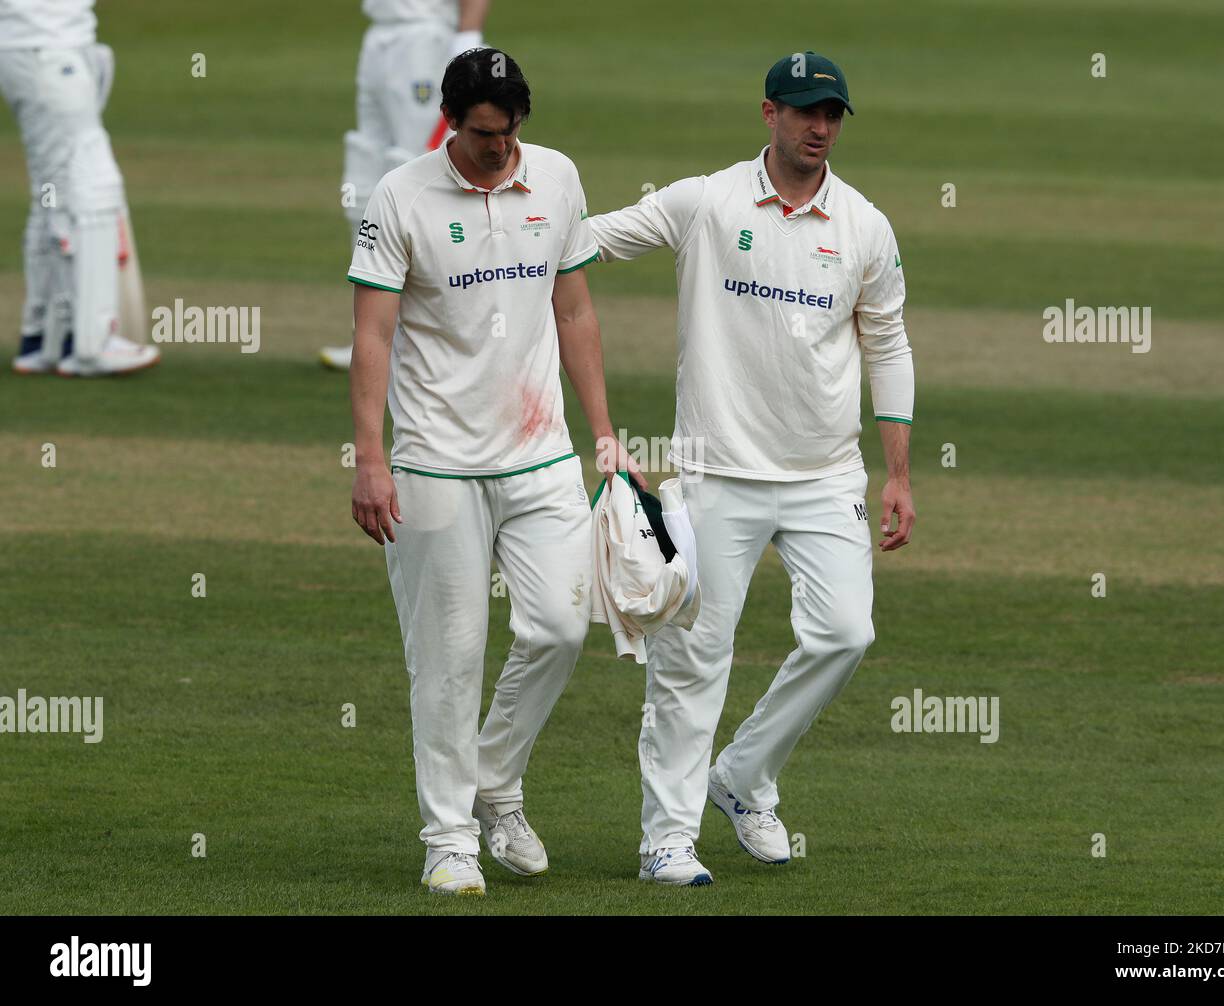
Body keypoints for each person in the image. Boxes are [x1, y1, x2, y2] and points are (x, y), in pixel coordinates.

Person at [588, 52, 917, 886]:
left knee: (846, 632)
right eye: (806, 111)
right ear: (768, 113)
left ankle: (741, 776)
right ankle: (666, 839)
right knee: (693, 657)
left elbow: (889, 342)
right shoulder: (706, 201)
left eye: (833, 114)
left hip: (823, 473)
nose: (820, 127)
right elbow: (589, 239)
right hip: (714, 471)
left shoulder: (865, 226)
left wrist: (899, 473)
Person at [348, 48, 643, 896]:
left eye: (510, 132)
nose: (499, 149)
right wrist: (372, 460)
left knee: (559, 624)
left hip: (540, 450)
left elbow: (575, 307)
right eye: (482, 134)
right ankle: (449, 839)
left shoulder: (555, 179)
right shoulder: (399, 196)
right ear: (451, 121)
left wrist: (604, 434)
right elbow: (371, 336)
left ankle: (494, 780)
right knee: (449, 659)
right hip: (435, 462)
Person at [320, 0, 491, 372]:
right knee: (366, 180)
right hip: (380, 35)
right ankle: (370, 334)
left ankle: (432, 337)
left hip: (425, 39)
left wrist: (468, 35)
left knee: (416, 174)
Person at [0, 0, 158, 376]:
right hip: (47, 47)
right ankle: (92, 344)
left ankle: (46, 338)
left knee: (53, 190)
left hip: (41, 45)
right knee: (92, 186)